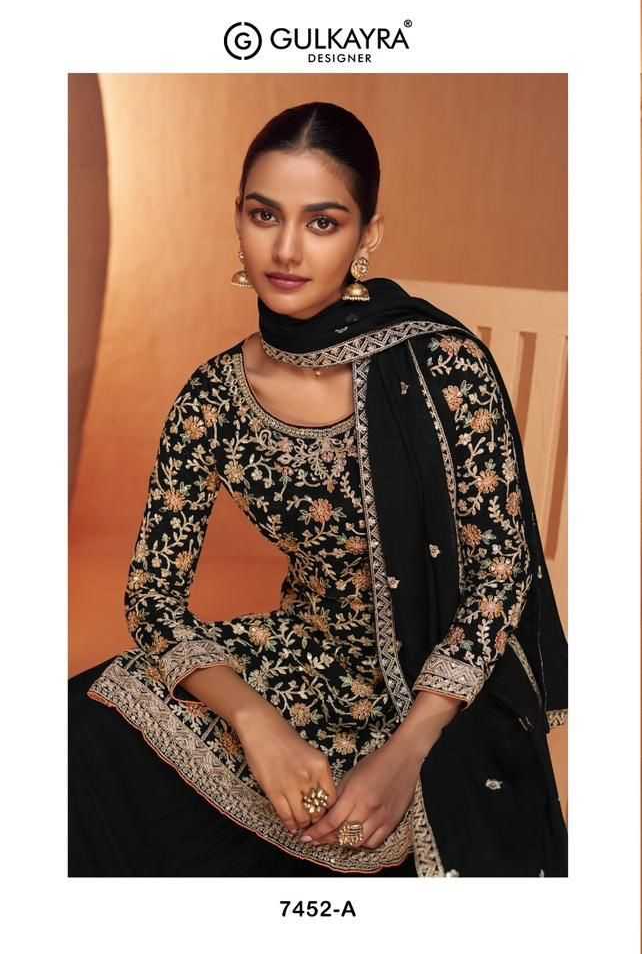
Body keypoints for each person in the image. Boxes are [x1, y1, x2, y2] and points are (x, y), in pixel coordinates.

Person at [68, 101, 568, 878]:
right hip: (302, 664)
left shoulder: (444, 367)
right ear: (238, 218)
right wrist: (254, 722)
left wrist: (406, 752)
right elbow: (153, 598)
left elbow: (500, 575)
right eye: (265, 214)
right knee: (73, 738)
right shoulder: (214, 398)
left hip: (444, 693)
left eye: (323, 222)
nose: (287, 249)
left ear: (368, 236)